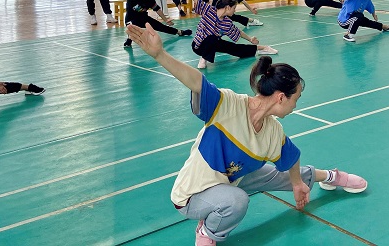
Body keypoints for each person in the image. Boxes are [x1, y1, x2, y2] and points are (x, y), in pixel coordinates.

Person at [125, 23, 368, 245]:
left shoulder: (273, 130)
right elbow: (197, 81)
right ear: (281, 98)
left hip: (232, 179)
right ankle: (207, 232)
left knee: (282, 174)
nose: (295, 106)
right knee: (236, 201)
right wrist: (160, 54)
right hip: (193, 194)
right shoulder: (228, 105)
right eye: (296, 99)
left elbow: (291, 158)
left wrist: (296, 184)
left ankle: (333, 177)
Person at [174, 0, 276, 69]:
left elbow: (238, 32)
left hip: (213, 44)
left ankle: (262, 48)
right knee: (212, 38)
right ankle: (203, 58)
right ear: (227, 7)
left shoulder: (227, 22)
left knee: (233, 48)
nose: (234, 11)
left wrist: (250, 39)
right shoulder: (208, 10)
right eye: (234, 8)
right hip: (198, 46)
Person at [107, 0, 192, 47]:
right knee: (132, 28)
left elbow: (157, 10)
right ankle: (129, 39)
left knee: (161, 26)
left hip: (144, 18)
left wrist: (166, 20)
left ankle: (180, 32)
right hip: (131, 19)